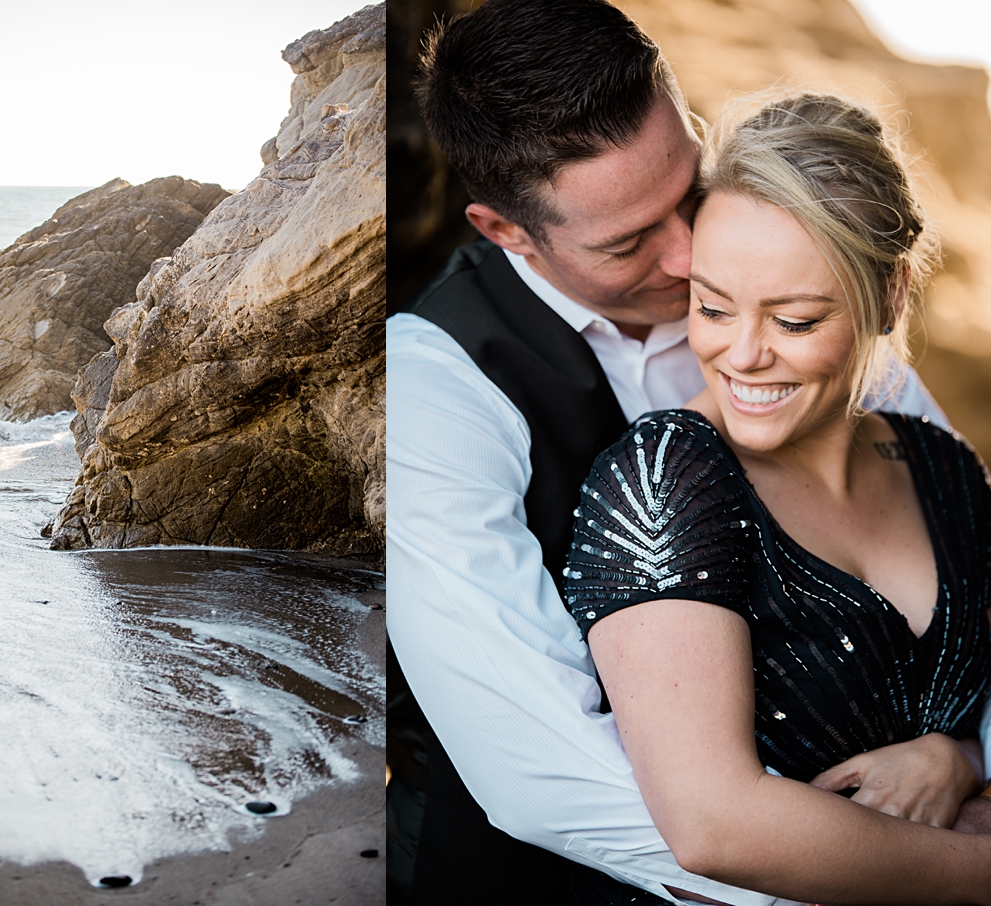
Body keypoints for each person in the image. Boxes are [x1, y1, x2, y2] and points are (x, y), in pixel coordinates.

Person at [385, 0, 991, 903]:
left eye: (689, 191)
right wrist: (892, 870)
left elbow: (957, 554)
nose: (685, 257)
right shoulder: (434, 388)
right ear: (503, 230)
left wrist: (961, 752)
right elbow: (545, 773)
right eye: (628, 241)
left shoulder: (802, 296)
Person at [563, 90, 991, 904]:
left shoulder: (944, 466)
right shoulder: (666, 478)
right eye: (713, 308)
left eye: (794, 320)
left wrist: (959, 758)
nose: (742, 355)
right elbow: (711, 827)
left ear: (891, 295)